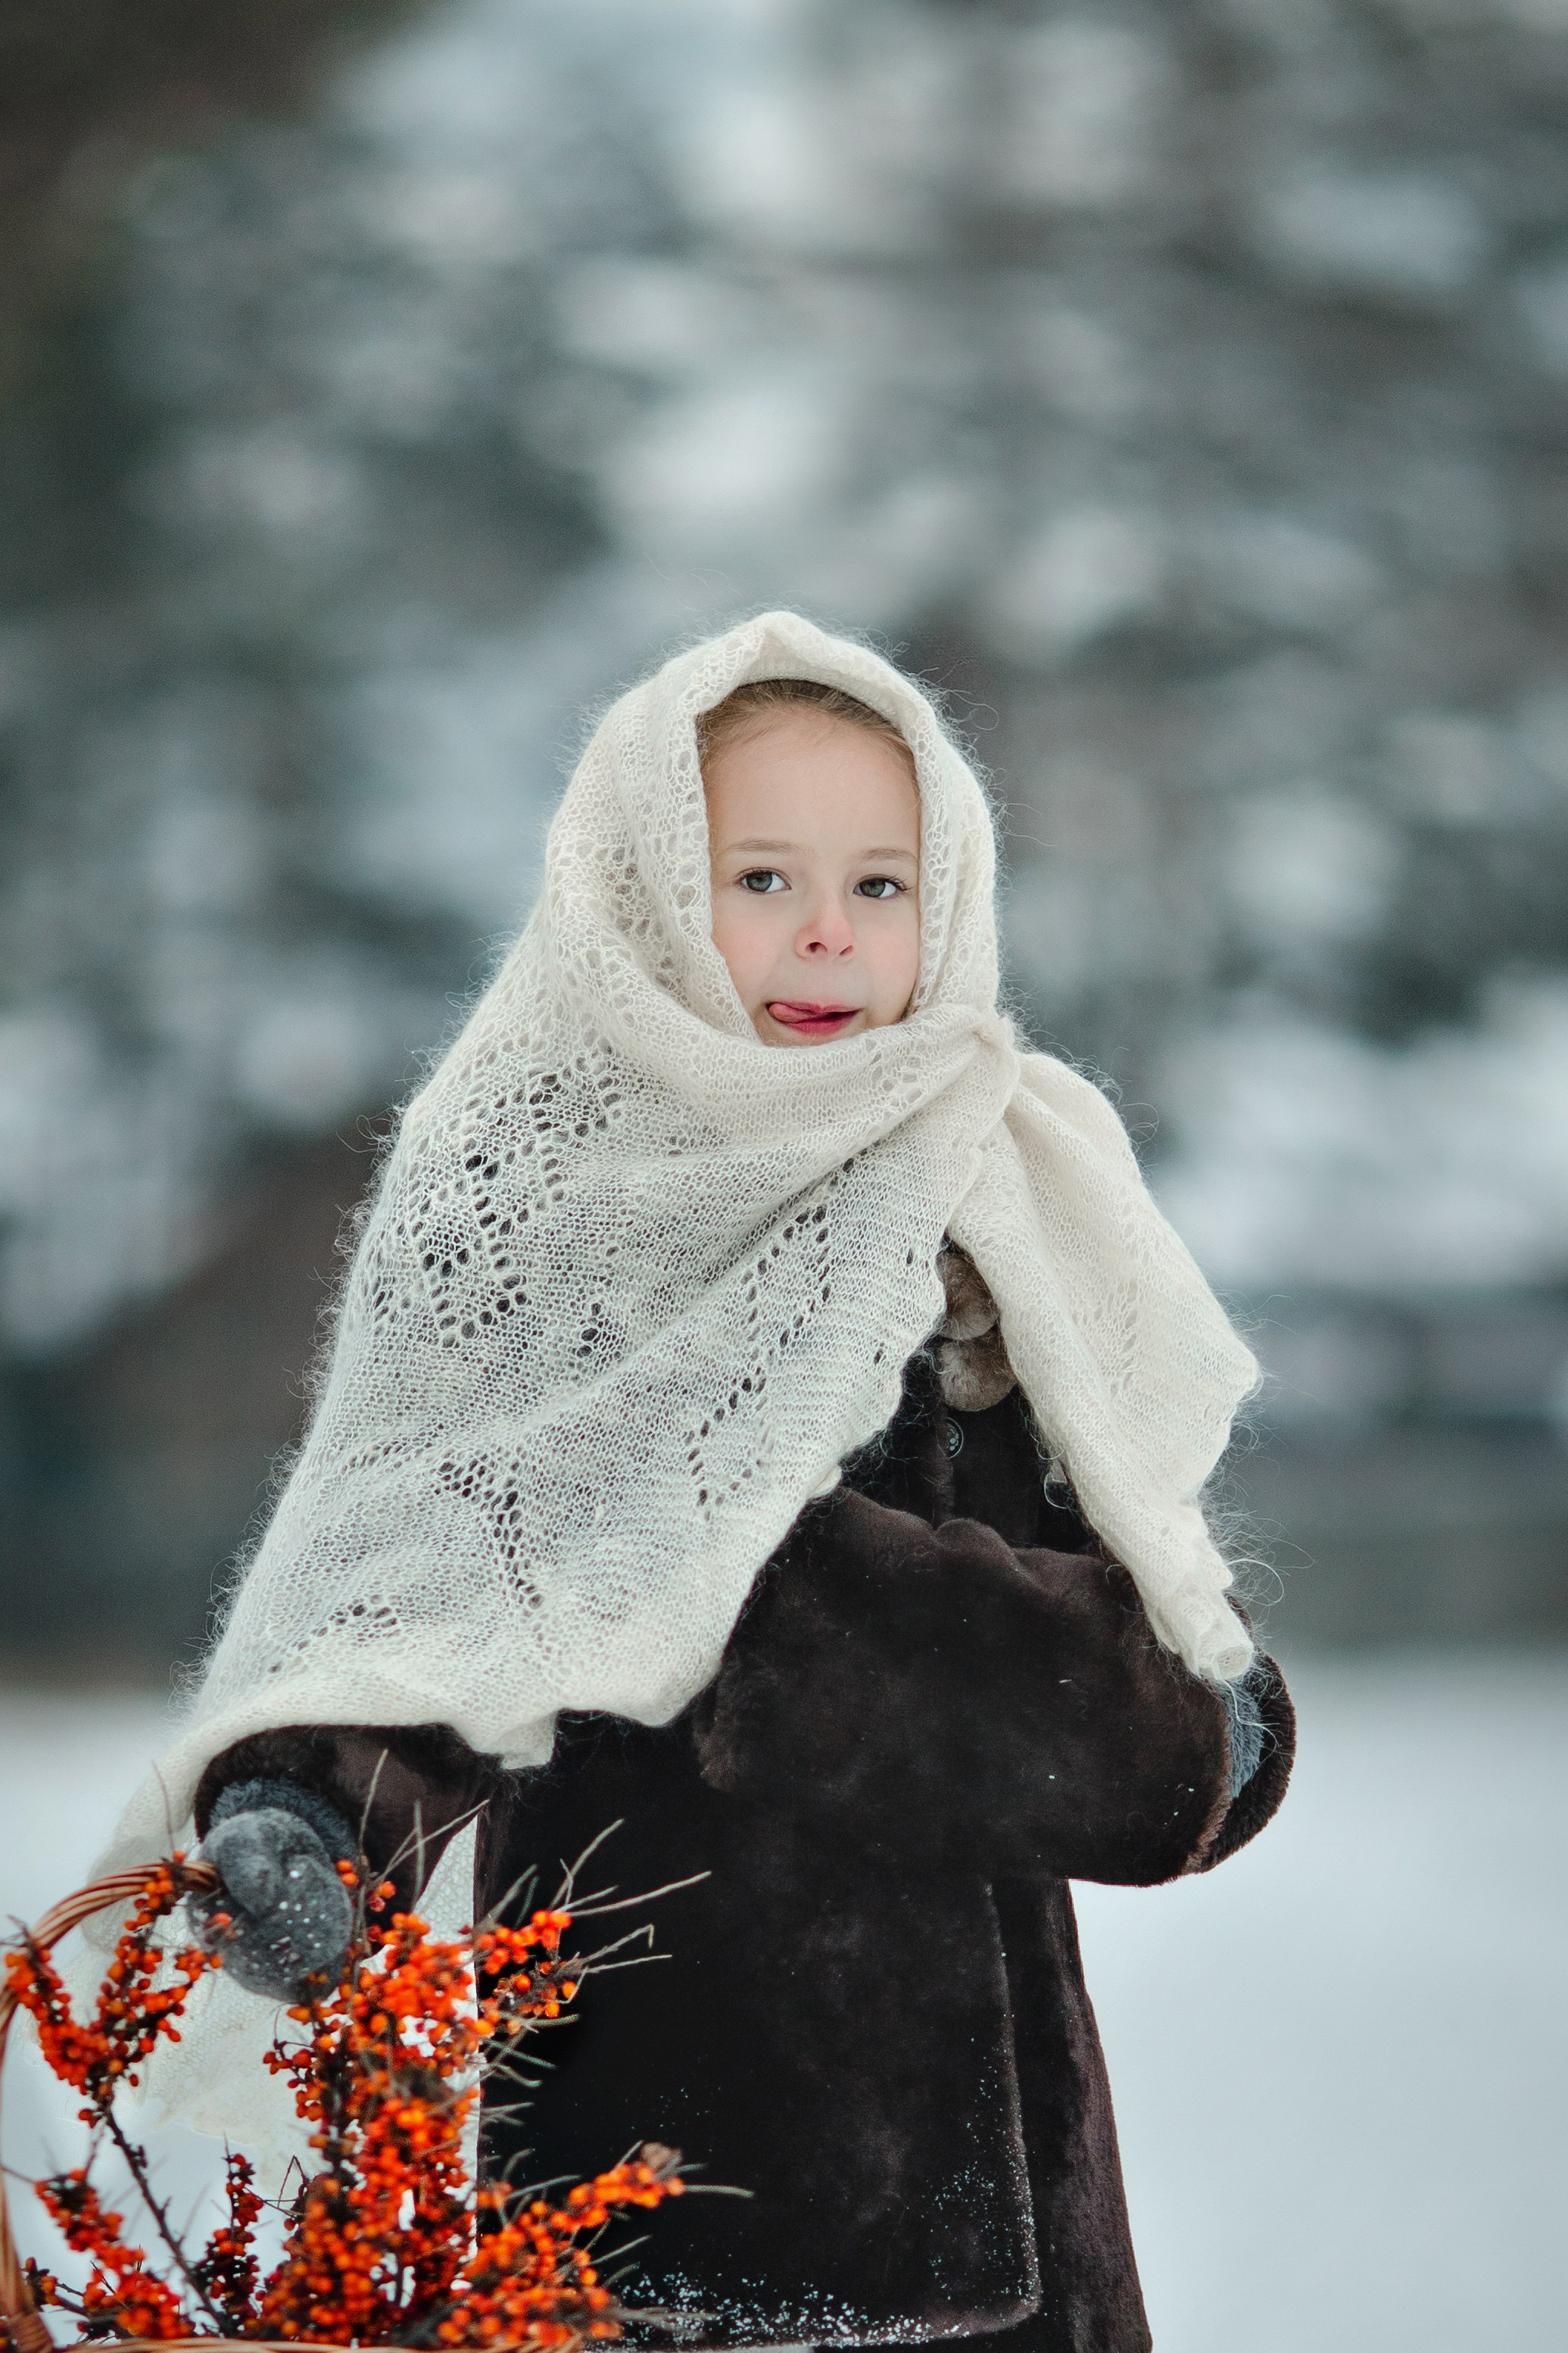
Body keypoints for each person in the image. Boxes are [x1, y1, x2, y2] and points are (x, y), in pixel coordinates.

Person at [101, 613, 1292, 2353]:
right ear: (640, 891)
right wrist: (310, 1812)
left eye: (883, 884)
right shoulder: (521, 1207)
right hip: (642, 2176)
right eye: (761, 875)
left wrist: (770, 1600)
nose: (828, 928)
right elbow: (421, 1585)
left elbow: (1172, 1730)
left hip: (1007, 2202)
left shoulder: (988, 1202)